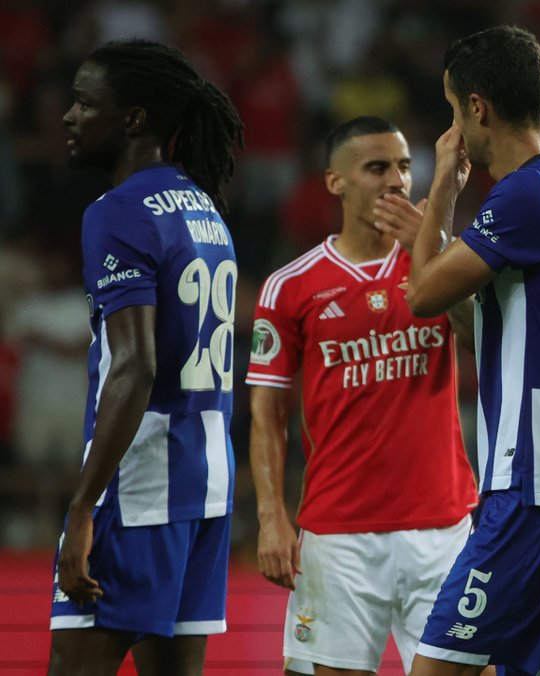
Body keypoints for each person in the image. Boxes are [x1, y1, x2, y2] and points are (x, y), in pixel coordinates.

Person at [374, 26, 540, 676]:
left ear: (477, 107)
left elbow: (422, 297)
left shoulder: (524, 195)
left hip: (534, 482)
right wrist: (428, 238)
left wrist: (445, 195)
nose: (456, 129)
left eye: (455, 111)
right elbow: (482, 324)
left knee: (437, 669)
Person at [246, 115, 479, 676]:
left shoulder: (443, 261)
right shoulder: (291, 285)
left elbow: (482, 339)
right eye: (377, 168)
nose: (396, 181)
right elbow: (267, 413)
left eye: (403, 166)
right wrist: (272, 515)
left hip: (444, 527)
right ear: (336, 182)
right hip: (339, 535)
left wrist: (431, 252)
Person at [49, 39, 243, 676]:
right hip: (206, 480)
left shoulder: (120, 211)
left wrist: (82, 508)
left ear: (133, 119)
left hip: (139, 487)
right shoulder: (206, 210)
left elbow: (135, 366)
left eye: (84, 103)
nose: (68, 117)